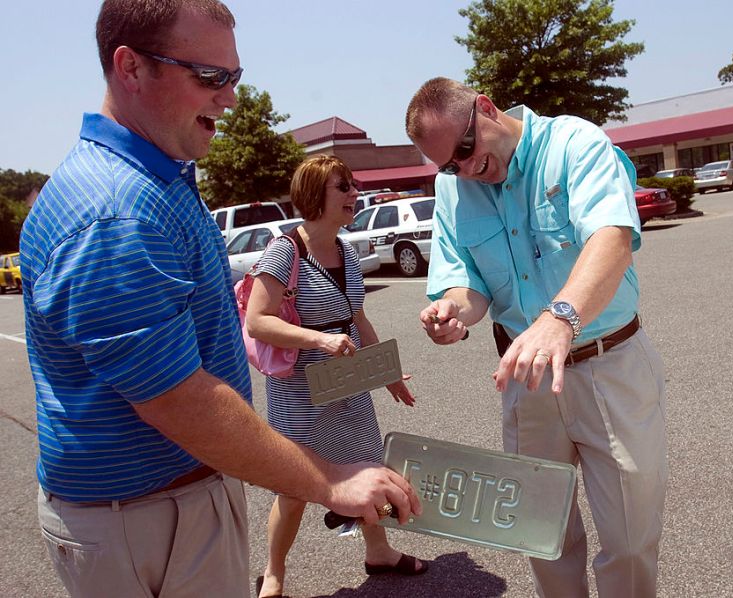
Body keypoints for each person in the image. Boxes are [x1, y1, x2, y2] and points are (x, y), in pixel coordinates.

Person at [19, 2, 419, 597]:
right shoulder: (116, 212)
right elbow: (175, 399)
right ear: (130, 68)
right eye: (210, 77)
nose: (229, 99)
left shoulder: (156, 180)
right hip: (148, 520)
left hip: (172, 504)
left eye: (235, 77)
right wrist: (331, 482)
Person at [405, 78, 667, 598]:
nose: (465, 170)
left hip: (606, 361)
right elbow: (466, 286)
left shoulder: (574, 144)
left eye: (465, 150)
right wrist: (451, 312)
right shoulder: (455, 186)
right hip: (525, 377)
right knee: (540, 533)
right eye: (448, 166)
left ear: (485, 107)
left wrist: (560, 317)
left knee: (631, 538)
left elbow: (611, 240)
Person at [246, 155, 428, 597]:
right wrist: (318, 339)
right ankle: (273, 575)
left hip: (347, 389)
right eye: (341, 187)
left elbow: (357, 321)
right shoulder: (286, 251)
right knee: (294, 489)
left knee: (367, 471)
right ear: (314, 195)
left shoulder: (346, 251)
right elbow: (256, 321)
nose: (353, 193)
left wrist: (388, 374)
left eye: (352, 184)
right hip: (300, 397)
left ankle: (378, 551)